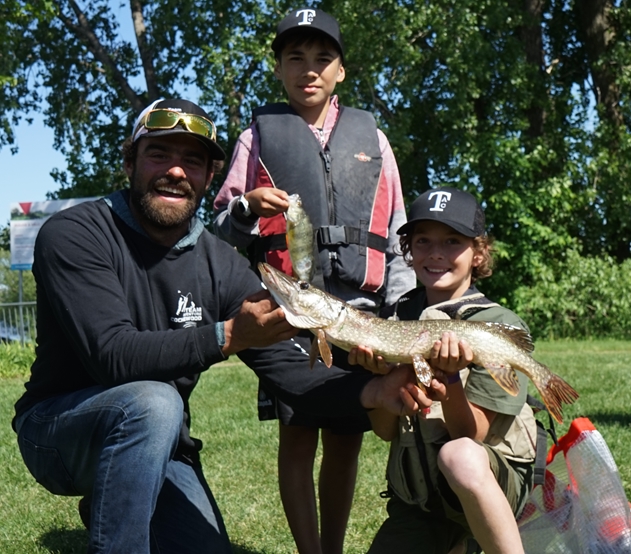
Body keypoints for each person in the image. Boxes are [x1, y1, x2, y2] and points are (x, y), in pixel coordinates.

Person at [11, 98, 424, 554]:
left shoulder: (220, 264)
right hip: (57, 432)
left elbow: (287, 371)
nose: (176, 171)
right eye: (159, 154)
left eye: (192, 160)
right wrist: (227, 335)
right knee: (154, 401)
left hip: (162, 443)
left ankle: (119, 499)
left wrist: (372, 393)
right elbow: (113, 356)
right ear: (129, 162)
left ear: (210, 177)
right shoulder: (76, 234)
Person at [212, 8, 415, 554]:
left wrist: (394, 312)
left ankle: (333, 546)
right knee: (298, 436)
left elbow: (396, 233)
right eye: (295, 59)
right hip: (289, 313)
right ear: (278, 68)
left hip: (357, 315)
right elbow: (220, 227)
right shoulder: (257, 137)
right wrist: (247, 207)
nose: (310, 70)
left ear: (341, 70)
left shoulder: (373, 137)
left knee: (346, 441)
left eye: (323, 59)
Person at [349, 187, 537, 554]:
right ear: (408, 249)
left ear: (478, 252)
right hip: (422, 504)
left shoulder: (496, 323)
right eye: (423, 241)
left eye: (452, 241)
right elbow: (386, 431)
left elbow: (470, 434)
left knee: (460, 456)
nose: (436, 253)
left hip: (487, 481)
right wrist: (383, 388)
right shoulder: (398, 319)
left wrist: (450, 377)